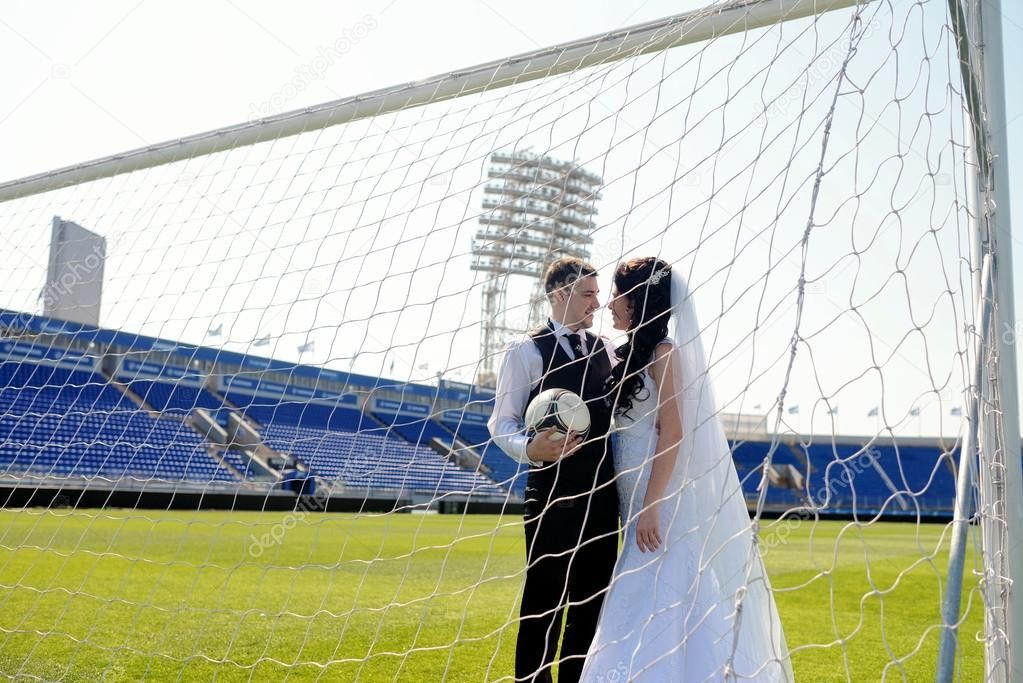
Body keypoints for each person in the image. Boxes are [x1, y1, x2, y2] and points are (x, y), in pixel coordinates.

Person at [581, 257, 793, 681]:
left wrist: (651, 505)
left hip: (656, 501)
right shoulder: (633, 354)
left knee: (658, 589)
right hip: (634, 498)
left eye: (618, 295)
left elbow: (673, 433)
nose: (610, 305)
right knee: (652, 593)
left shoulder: (664, 353)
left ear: (638, 299)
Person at [488, 257, 621, 683]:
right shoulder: (524, 350)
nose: (597, 303)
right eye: (588, 294)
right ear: (559, 294)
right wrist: (530, 447)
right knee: (544, 601)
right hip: (551, 493)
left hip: (602, 496)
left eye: (598, 294)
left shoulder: (608, 350)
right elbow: (501, 422)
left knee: (591, 604)